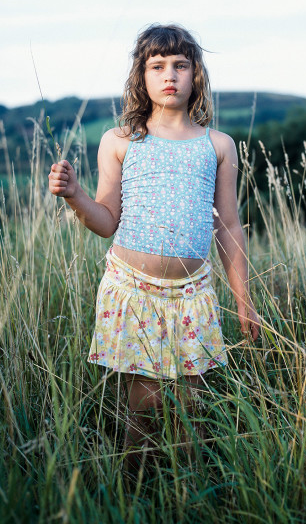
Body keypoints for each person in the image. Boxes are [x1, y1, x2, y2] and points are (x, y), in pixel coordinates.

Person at [48, 23, 259, 471]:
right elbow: (105, 221)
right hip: (133, 288)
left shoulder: (217, 145)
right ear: (141, 77)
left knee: (192, 410)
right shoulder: (121, 141)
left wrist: (243, 300)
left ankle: (189, 495)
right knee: (142, 405)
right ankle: (133, 491)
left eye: (181, 65)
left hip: (193, 294)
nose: (170, 75)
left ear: (195, 75)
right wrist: (75, 195)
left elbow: (229, 227)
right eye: (157, 65)